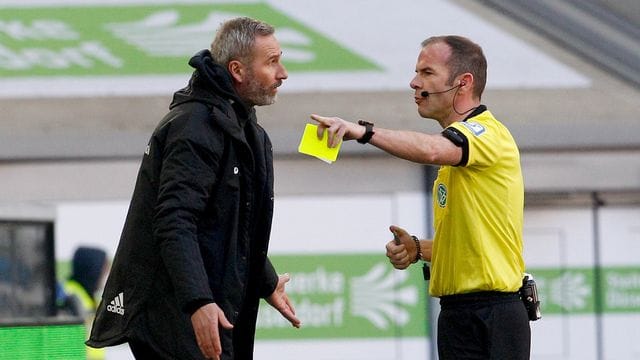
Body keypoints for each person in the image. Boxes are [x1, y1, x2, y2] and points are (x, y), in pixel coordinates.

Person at [86, 17, 301, 360]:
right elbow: (175, 221)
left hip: (212, 308)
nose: (283, 73)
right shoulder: (195, 126)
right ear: (237, 70)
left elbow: (233, 224)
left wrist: (265, 280)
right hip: (175, 315)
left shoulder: (246, 129)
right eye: (272, 62)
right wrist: (198, 301)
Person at [311, 35, 530, 359]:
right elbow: (474, 247)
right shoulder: (457, 157)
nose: (415, 83)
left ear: (462, 83)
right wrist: (419, 249)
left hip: (492, 313)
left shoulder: (487, 133)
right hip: (458, 313)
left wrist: (363, 132)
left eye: (427, 73)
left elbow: (430, 149)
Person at [60, 246, 109, 360]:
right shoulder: (69, 296)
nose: (105, 277)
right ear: (92, 269)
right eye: (104, 270)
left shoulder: (92, 298)